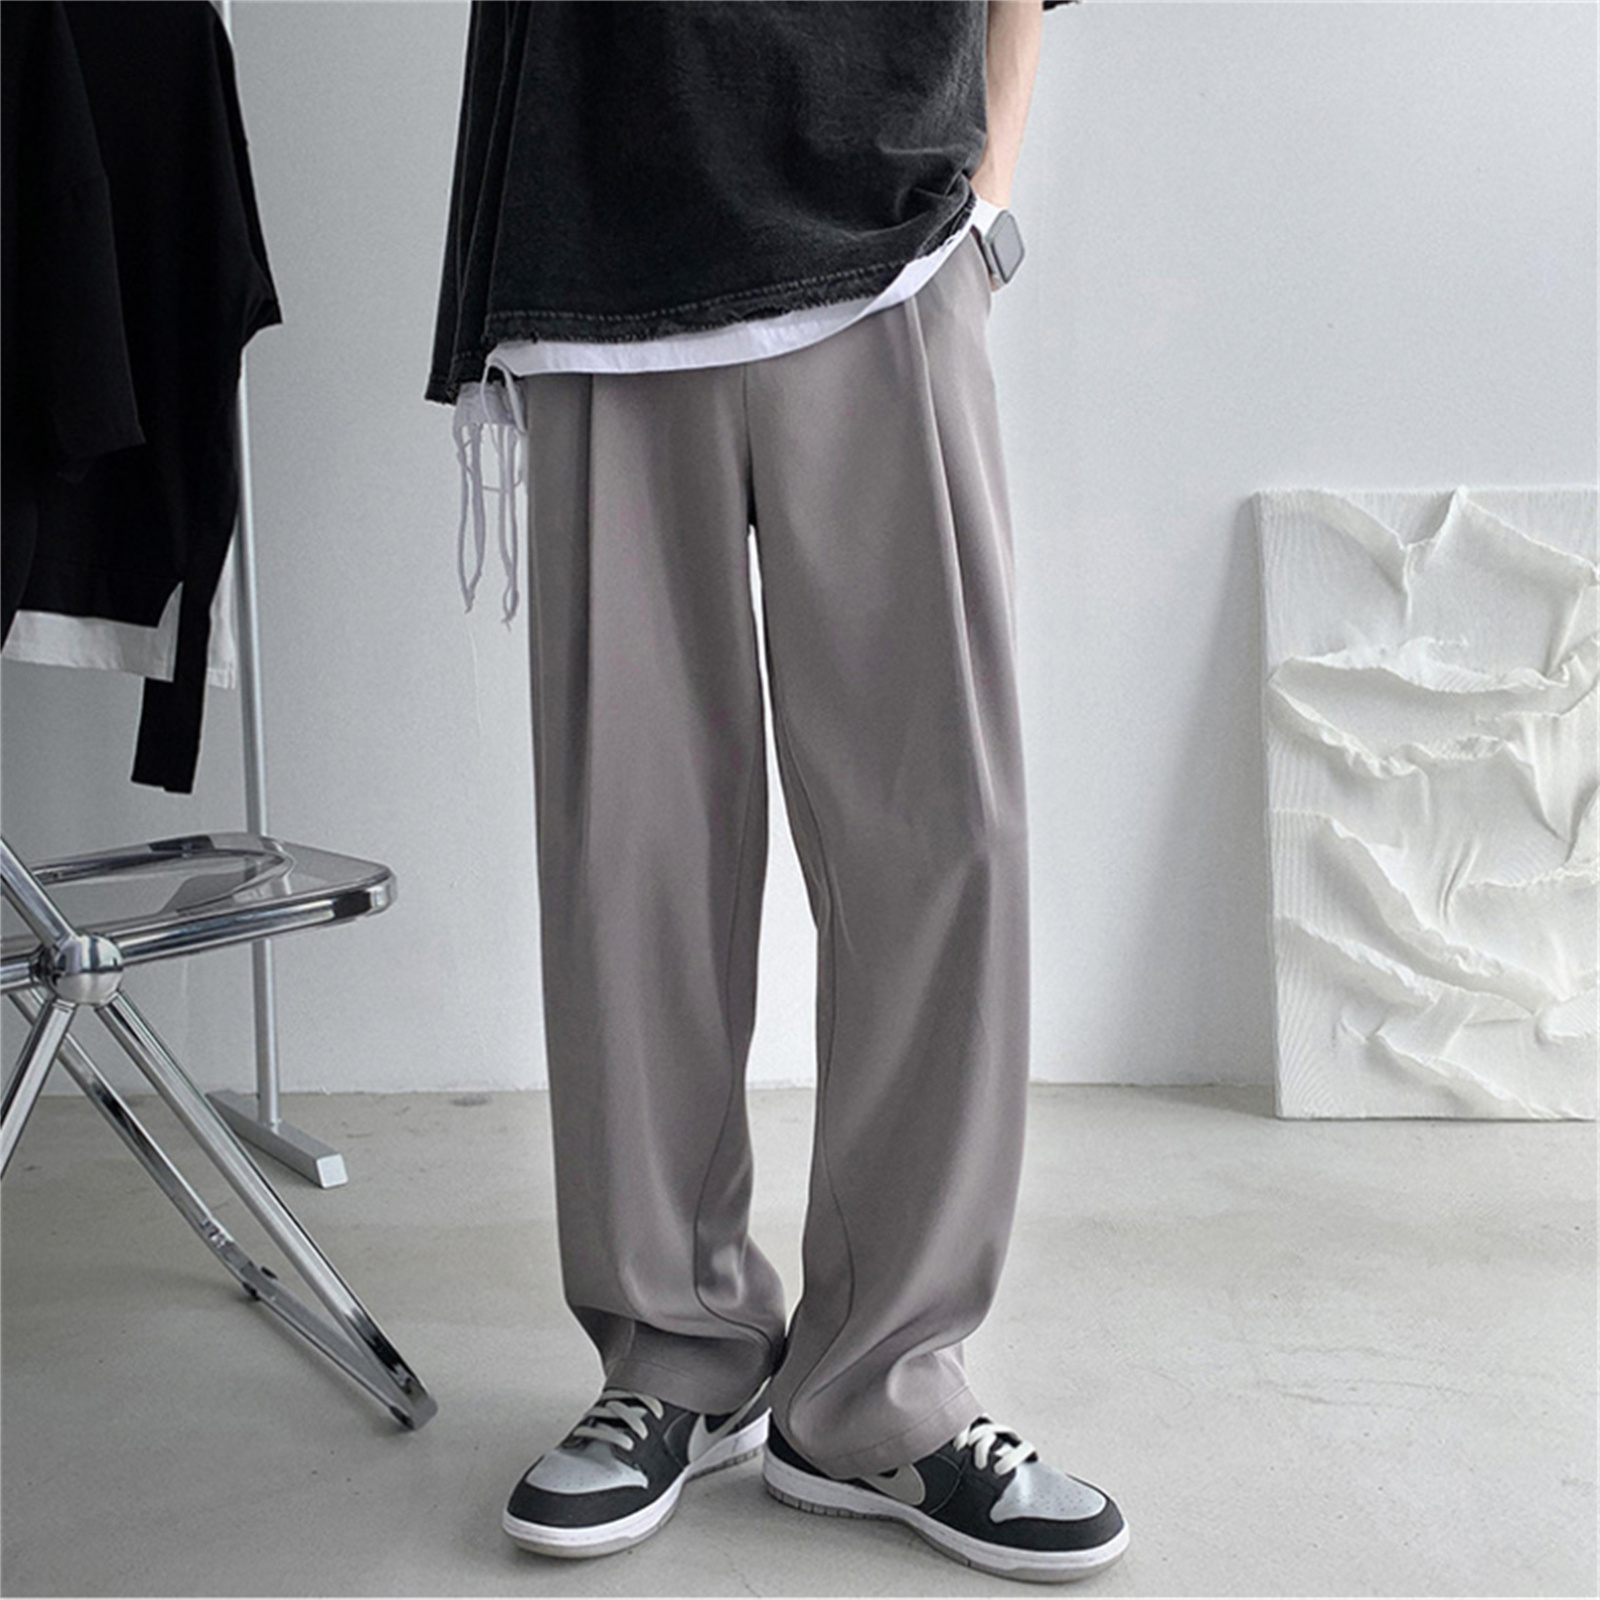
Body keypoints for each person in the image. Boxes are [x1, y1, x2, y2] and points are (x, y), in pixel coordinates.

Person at [427, 0, 1128, 1583]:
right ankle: (675, 1350)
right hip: (600, 243)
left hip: (891, 238)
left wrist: (985, 201)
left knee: (940, 835)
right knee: (633, 851)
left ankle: (885, 1391)